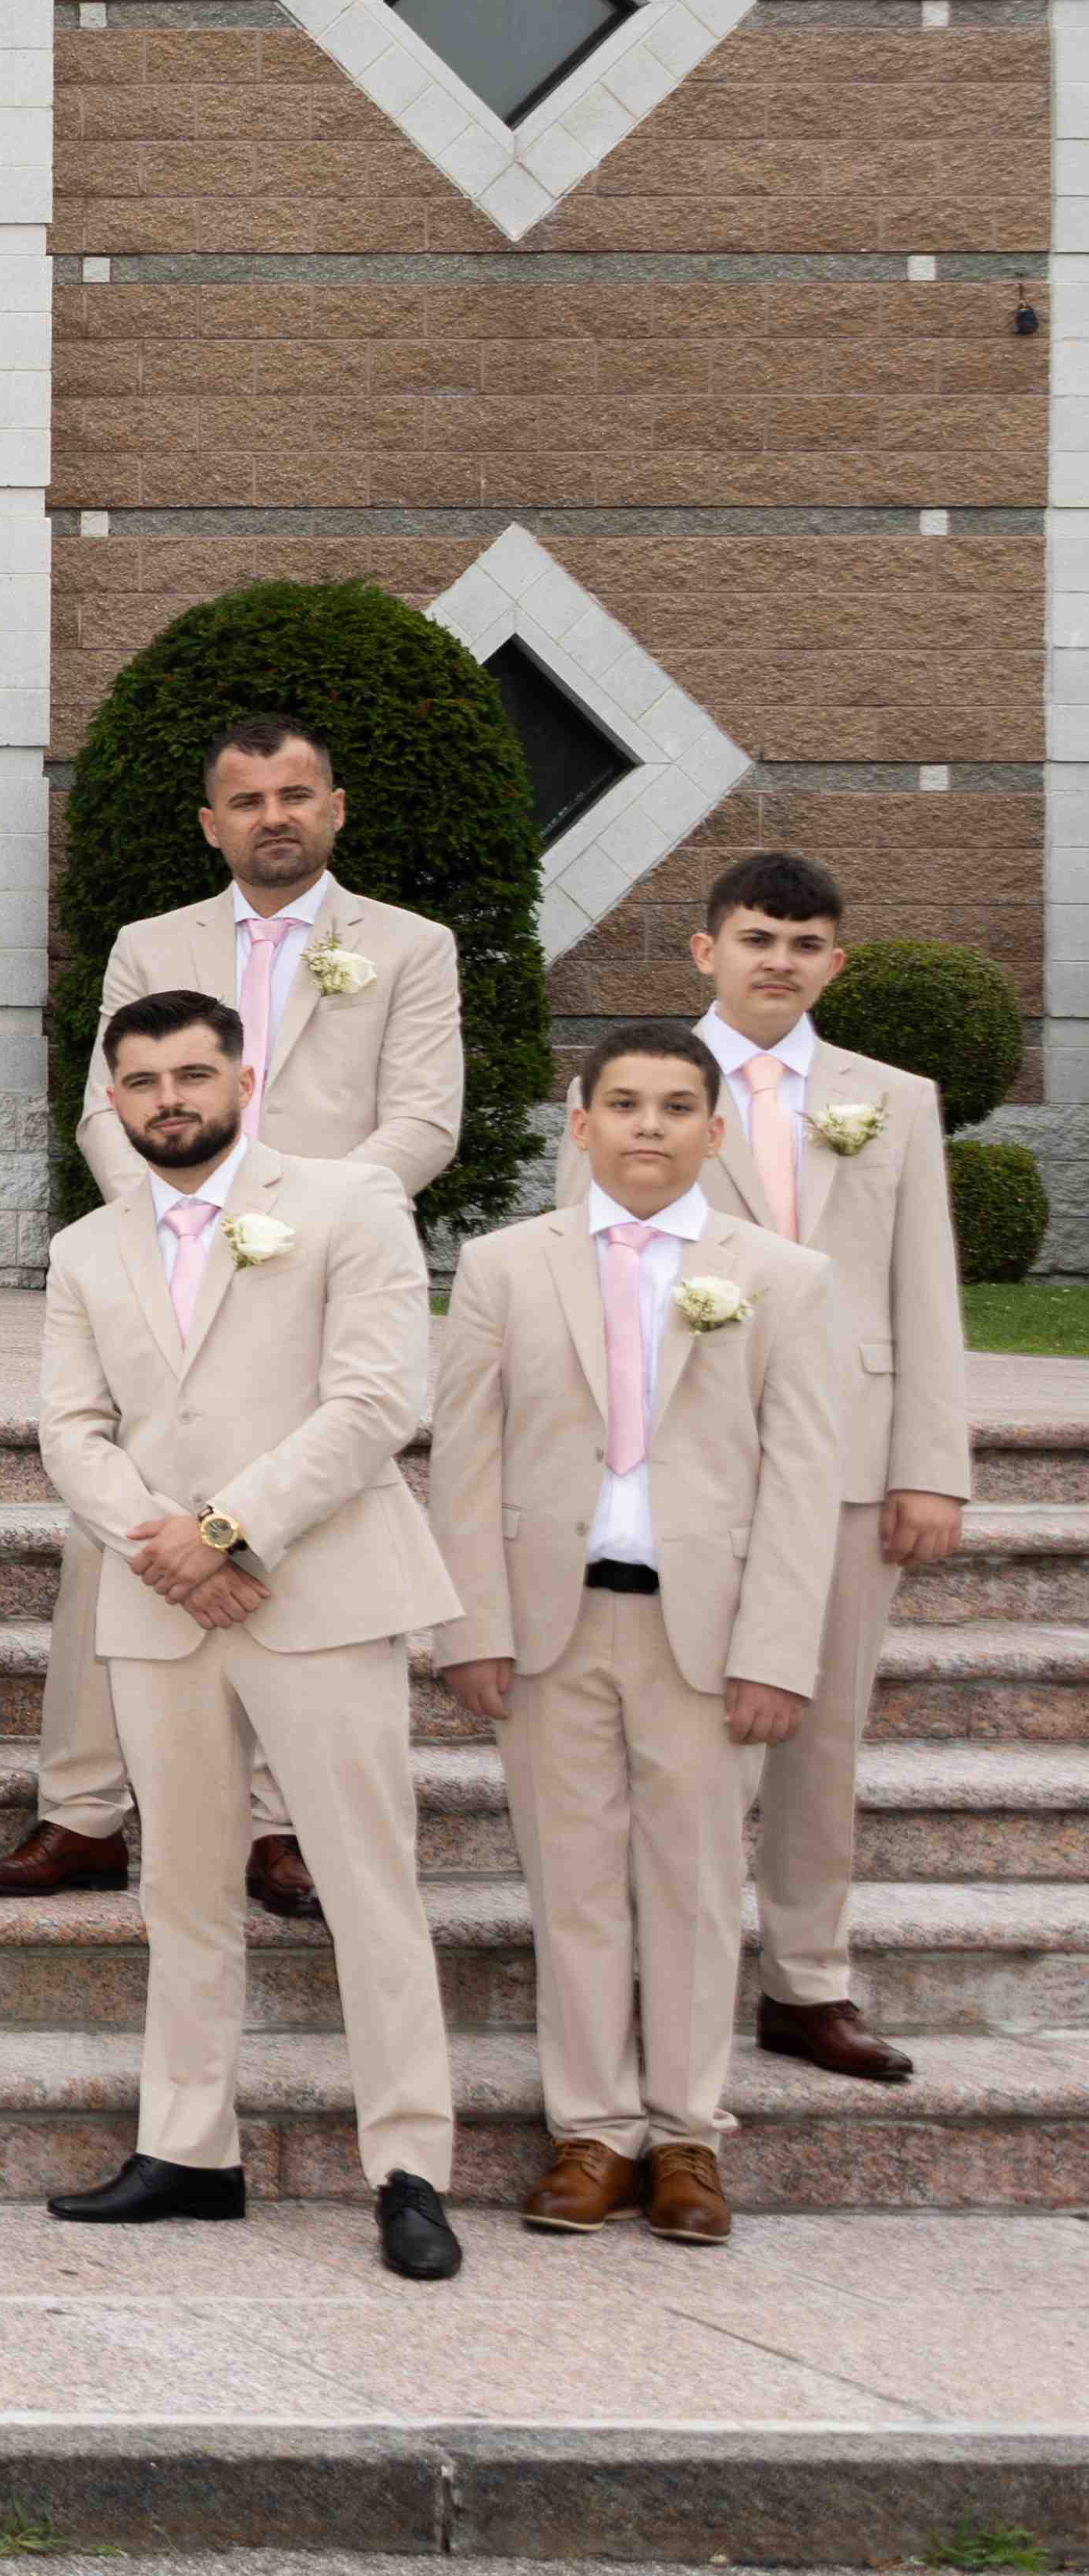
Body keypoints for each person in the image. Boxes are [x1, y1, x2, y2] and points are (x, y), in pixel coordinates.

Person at [0, 712, 465, 1910]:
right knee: (127, 1530)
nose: (274, 816)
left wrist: (305, 1219)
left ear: (336, 806)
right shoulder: (154, 941)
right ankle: (83, 1806)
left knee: (282, 1528)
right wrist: (164, 1221)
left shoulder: (408, 946)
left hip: (318, 1276)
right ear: (212, 821)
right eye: (247, 799)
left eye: (296, 793)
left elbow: (424, 1116)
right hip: (166, 1263)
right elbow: (111, 1102)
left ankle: (281, 1822)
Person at [34, 990, 461, 2279]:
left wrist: (228, 1529)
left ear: (244, 1078)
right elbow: (70, 1429)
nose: (172, 1098)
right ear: (112, 1100)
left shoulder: (347, 1204)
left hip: (316, 1592)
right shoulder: (85, 1250)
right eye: (145, 1080)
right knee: (182, 1887)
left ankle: (408, 2165)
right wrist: (165, 1543)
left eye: (195, 1074)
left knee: (368, 1887)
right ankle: (189, 2148)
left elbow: (380, 1396)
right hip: (160, 1607)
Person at [433, 1031, 847, 2243]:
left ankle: (685, 2133)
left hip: (706, 1631)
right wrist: (474, 1621)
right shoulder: (505, 1265)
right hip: (556, 1622)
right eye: (623, 1103)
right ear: (580, 1120)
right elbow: (466, 1456)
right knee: (573, 1883)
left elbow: (802, 1474)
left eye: (676, 1106)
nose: (648, 1126)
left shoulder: (779, 1274)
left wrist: (777, 1646)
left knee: (697, 1882)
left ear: (716, 1130)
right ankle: (593, 2129)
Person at [683, 849, 971, 2086]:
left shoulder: (893, 1097)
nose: (778, 961)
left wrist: (931, 1464)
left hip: (852, 1456)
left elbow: (926, 1284)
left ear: (834, 961)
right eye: (757, 937)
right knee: (691, 1724)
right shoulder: (645, 1084)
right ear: (708, 949)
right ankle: (675, 1967)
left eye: (804, 944)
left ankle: (808, 1980)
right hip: (692, 1457)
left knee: (826, 1727)